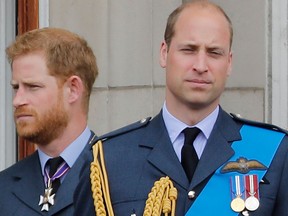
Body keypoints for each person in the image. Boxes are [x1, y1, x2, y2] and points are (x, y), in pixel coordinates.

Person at [74, 1, 288, 216]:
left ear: (229, 62)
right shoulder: (109, 159)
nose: (201, 66)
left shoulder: (276, 152)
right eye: (189, 50)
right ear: (164, 53)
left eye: (214, 53)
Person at [0, 27, 98, 215]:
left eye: (32, 87)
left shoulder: (118, 177)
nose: (17, 100)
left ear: (73, 89)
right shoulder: (4, 188)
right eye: (16, 87)